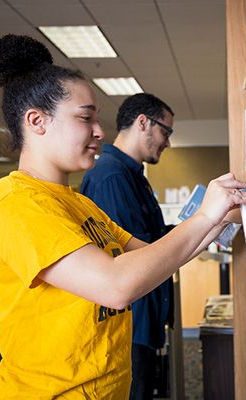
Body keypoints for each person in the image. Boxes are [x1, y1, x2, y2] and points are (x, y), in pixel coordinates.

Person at [0, 34, 246, 399]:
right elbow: (116, 286)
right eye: (85, 117)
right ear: (36, 121)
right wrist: (205, 217)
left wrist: (225, 213)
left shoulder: (79, 204)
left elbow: (151, 257)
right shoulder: (12, 202)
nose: (99, 131)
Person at [80, 93, 176, 400]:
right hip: (128, 325)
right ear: (143, 122)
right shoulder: (111, 176)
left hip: (142, 320)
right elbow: (131, 257)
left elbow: (146, 238)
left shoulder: (132, 175)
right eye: (166, 132)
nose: (167, 143)